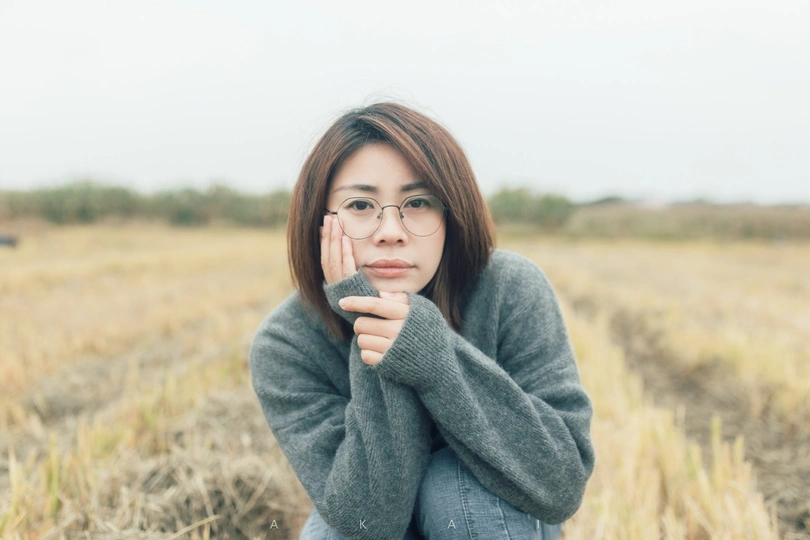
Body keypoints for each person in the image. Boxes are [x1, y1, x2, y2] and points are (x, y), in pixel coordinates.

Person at [248, 101, 594, 540]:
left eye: (417, 202)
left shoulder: (510, 288)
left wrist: (433, 356)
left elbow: (561, 485)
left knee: (453, 486)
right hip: (372, 520)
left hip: (492, 513)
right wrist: (369, 320)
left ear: (451, 215)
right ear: (319, 223)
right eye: (360, 204)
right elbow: (369, 520)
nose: (391, 231)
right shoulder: (285, 343)